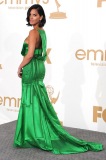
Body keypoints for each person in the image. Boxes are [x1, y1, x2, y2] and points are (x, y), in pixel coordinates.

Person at [13, 4, 103, 154]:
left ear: (41, 17)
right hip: (39, 68)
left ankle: (30, 134)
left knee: (29, 101)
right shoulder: (43, 32)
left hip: (31, 67)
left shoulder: (33, 32)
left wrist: (19, 67)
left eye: (35, 15)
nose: (31, 17)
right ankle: (36, 132)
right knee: (38, 101)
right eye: (30, 14)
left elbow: (29, 55)